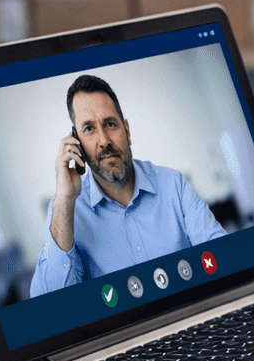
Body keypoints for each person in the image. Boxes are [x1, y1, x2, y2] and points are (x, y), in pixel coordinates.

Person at [29, 75, 226, 296]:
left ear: (127, 131)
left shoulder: (173, 184)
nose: (104, 140)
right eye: (89, 129)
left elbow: (223, 255)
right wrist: (65, 200)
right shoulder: (66, 211)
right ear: (77, 144)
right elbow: (50, 303)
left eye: (110, 124)